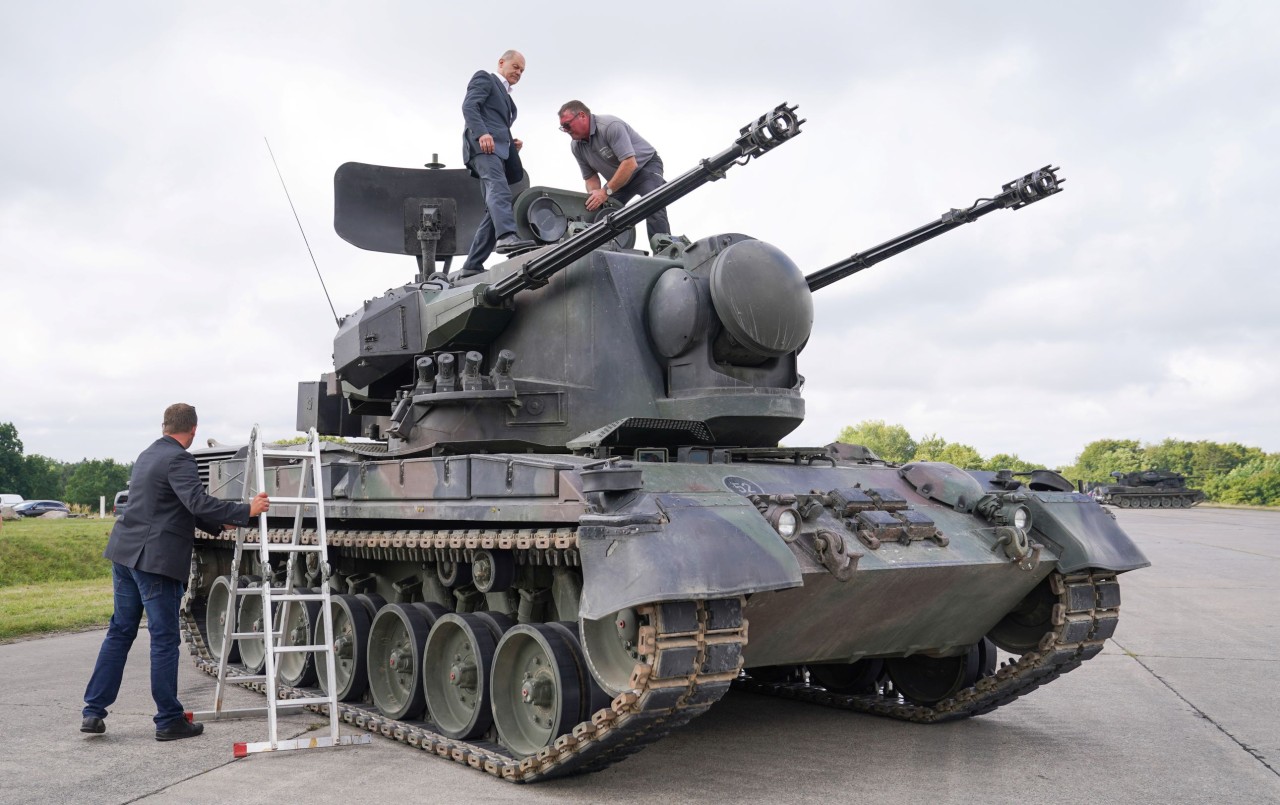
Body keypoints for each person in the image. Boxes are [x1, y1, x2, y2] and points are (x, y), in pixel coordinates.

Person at [81, 403, 269, 741]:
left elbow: (173, 506)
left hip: (125, 555)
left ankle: (93, 710)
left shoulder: (147, 455)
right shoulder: (181, 458)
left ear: (165, 425)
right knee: (164, 639)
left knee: (120, 632)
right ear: (193, 430)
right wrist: (246, 509)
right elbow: (196, 501)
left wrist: (218, 523)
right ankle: (169, 719)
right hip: (156, 562)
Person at [457, 49, 535, 277]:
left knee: (493, 208)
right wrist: (482, 133)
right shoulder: (485, 78)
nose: (518, 72)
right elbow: (469, 107)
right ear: (502, 63)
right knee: (498, 190)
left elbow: (498, 123)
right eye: (516, 67)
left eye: (522, 70)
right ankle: (506, 238)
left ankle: (472, 264)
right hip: (484, 148)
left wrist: (511, 143)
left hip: (499, 150)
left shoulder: (507, 97)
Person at [557, 100, 670, 245]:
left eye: (567, 125)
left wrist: (604, 192)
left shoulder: (609, 126)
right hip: (619, 179)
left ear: (582, 116)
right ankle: (608, 251)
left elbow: (630, 163)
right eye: (563, 127)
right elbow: (591, 178)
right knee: (599, 213)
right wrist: (595, 196)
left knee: (653, 201)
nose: (566, 130)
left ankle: (664, 248)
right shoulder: (576, 146)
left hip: (644, 168)